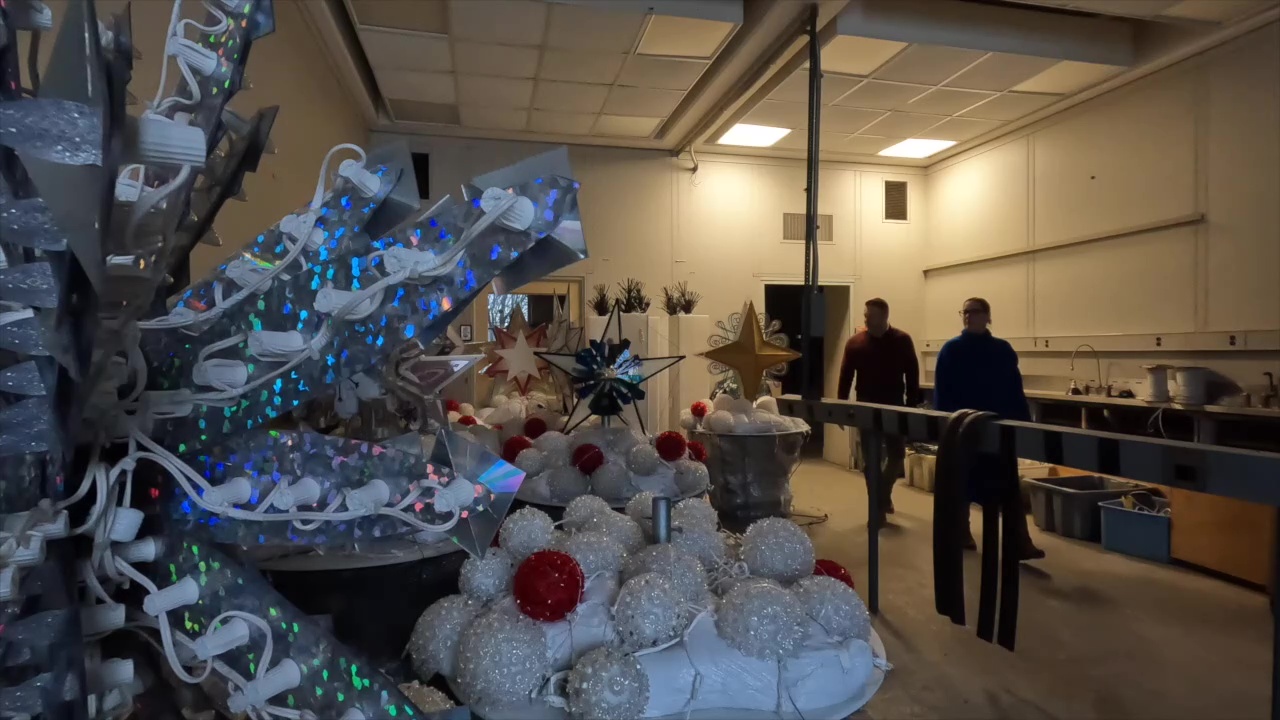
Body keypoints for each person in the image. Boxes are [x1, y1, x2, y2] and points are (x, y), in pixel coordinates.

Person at [933, 297, 1045, 560]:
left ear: (987, 316)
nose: (969, 316)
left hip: (998, 428)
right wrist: (944, 426)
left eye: (975, 311)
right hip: (964, 428)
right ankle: (961, 531)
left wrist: (1022, 424)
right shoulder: (951, 350)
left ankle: (1019, 540)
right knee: (963, 482)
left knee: (1008, 486)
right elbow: (943, 391)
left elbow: (1014, 389)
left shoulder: (1002, 350)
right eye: (965, 312)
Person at [837, 298, 920, 527]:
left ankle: (882, 496)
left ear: (884, 316)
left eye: (869, 315)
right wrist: (842, 407)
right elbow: (845, 377)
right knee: (871, 460)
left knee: (896, 456)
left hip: (895, 406)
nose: (866, 319)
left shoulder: (902, 340)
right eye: (865, 315)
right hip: (867, 409)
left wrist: (911, 407)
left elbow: (912, 375)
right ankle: (877, 511)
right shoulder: (855, 343)